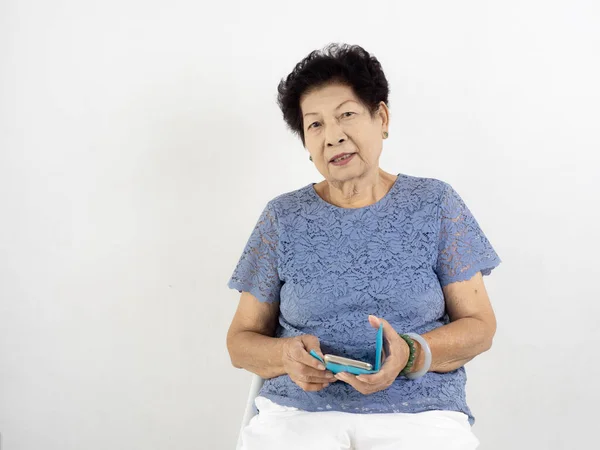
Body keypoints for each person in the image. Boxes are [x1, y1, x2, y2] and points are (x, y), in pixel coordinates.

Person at [226, 43, 501, 450]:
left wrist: (410, 352)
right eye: (315, 125)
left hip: (419, 412)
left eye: (347, 115)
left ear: (382, 118)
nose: (333, 135)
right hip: (301, 413)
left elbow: (480, 327)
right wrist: (286, 356)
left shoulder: (435, 203)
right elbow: (240, 341)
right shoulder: (282, 217)